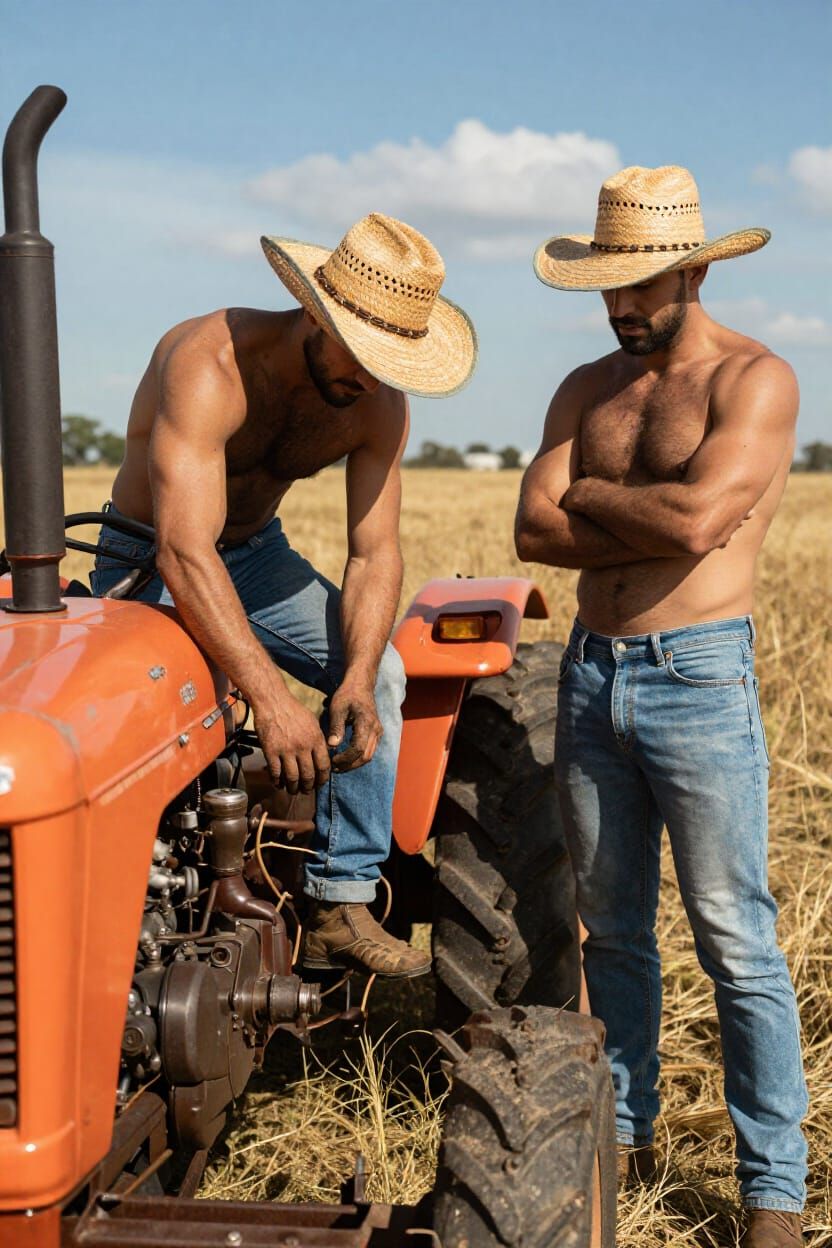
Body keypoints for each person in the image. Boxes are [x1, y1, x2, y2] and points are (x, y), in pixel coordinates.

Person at [515, 166, 807, 1248]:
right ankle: (626, 1144)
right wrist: (621, 508)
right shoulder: (588, 387)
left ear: (691, 268)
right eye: (606, 289)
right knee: (613, 933)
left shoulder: (756, 381)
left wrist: (587, 494)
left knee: (736, 938)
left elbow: (696, 527)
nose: (618, 308)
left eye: (638, 287)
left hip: (696, 677)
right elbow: (530, 533)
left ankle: (772, 1194)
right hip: (590, 674)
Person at [91, 212, 476, 979]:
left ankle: (339, 897)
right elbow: (182, 547)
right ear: (315, 311)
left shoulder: (377, 406)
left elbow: (375, 553)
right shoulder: (210, 363)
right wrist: (270, 695)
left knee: (385, 682)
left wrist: (358, 677)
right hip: (149, 553)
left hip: (257, 557)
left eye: (389, 362)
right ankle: (141, 910)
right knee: (182, 705)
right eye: (361, 353)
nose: (368, 377)